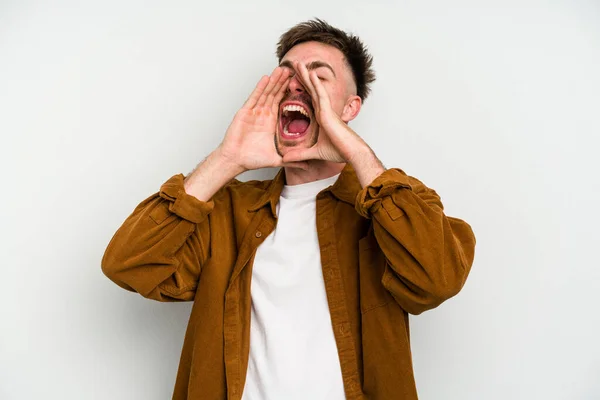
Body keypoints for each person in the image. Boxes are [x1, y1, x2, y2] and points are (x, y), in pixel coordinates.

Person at [101, 18, 476, 400]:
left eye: (318, 76)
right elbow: (127, 264)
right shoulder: (227, 210)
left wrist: (357, 152)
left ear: (350, 107)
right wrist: (227, 158)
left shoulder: (395, 205)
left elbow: (437, 279)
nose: (297, 83)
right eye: (287, 74)